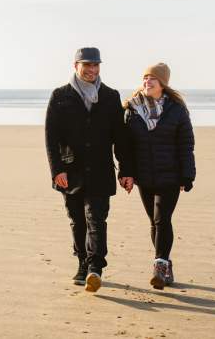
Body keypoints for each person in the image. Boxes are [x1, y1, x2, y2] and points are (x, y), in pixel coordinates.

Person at [45, 47, 133, 293]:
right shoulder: (60, 96)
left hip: (101, 170)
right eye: (87, 65)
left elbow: (120, 138)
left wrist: (126, 170)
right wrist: (57, 170)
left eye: (96, 65)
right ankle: (82, 263)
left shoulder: (110, 96)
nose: (92, 70)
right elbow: (51, 138)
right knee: (77, 221)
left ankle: (95, 267)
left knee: (96, 219)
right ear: (76, 66)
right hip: (70, 172)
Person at [123, 63, 196, 290]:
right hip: (144, 176)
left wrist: (187, 175)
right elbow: (126, 146)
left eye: (152, 78)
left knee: (161, 219)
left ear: (162, 83)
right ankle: (166, 263)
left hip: (170, 176)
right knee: (154, 223)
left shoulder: (176, 110)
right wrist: (127, 173)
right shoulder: (132, 110)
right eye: (145, 78)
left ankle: (159, 266)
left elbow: (186, 145)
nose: (147, 82)